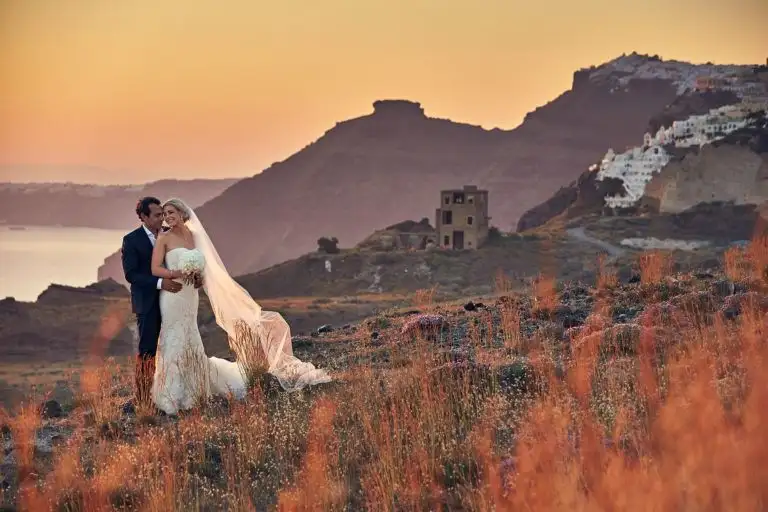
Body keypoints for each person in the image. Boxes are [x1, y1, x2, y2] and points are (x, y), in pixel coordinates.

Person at [149, 198, 331, 414]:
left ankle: (194, 387)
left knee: (190, 335)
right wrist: (177, 273)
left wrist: (198, 276)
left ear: (181, 213)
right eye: (164, 213)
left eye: (171, 212)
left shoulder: (194, 236)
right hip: (173, 295)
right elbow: (155, 269)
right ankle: (170, 392)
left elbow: (207, 266)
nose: (167, 217)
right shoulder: (164, 238)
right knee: (172, 336)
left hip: (190, 295)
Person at [120, 197, 198, 408]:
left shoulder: (170, 233)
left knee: (176, 344)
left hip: (175, 300)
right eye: (156, 215)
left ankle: (177, 388)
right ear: (143, 217)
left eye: (163, 214)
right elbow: (132, 275)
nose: (162, 218)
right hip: (148, 302)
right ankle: (144, 398)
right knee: (148, 350)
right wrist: (160, 283)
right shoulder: (131, 240)